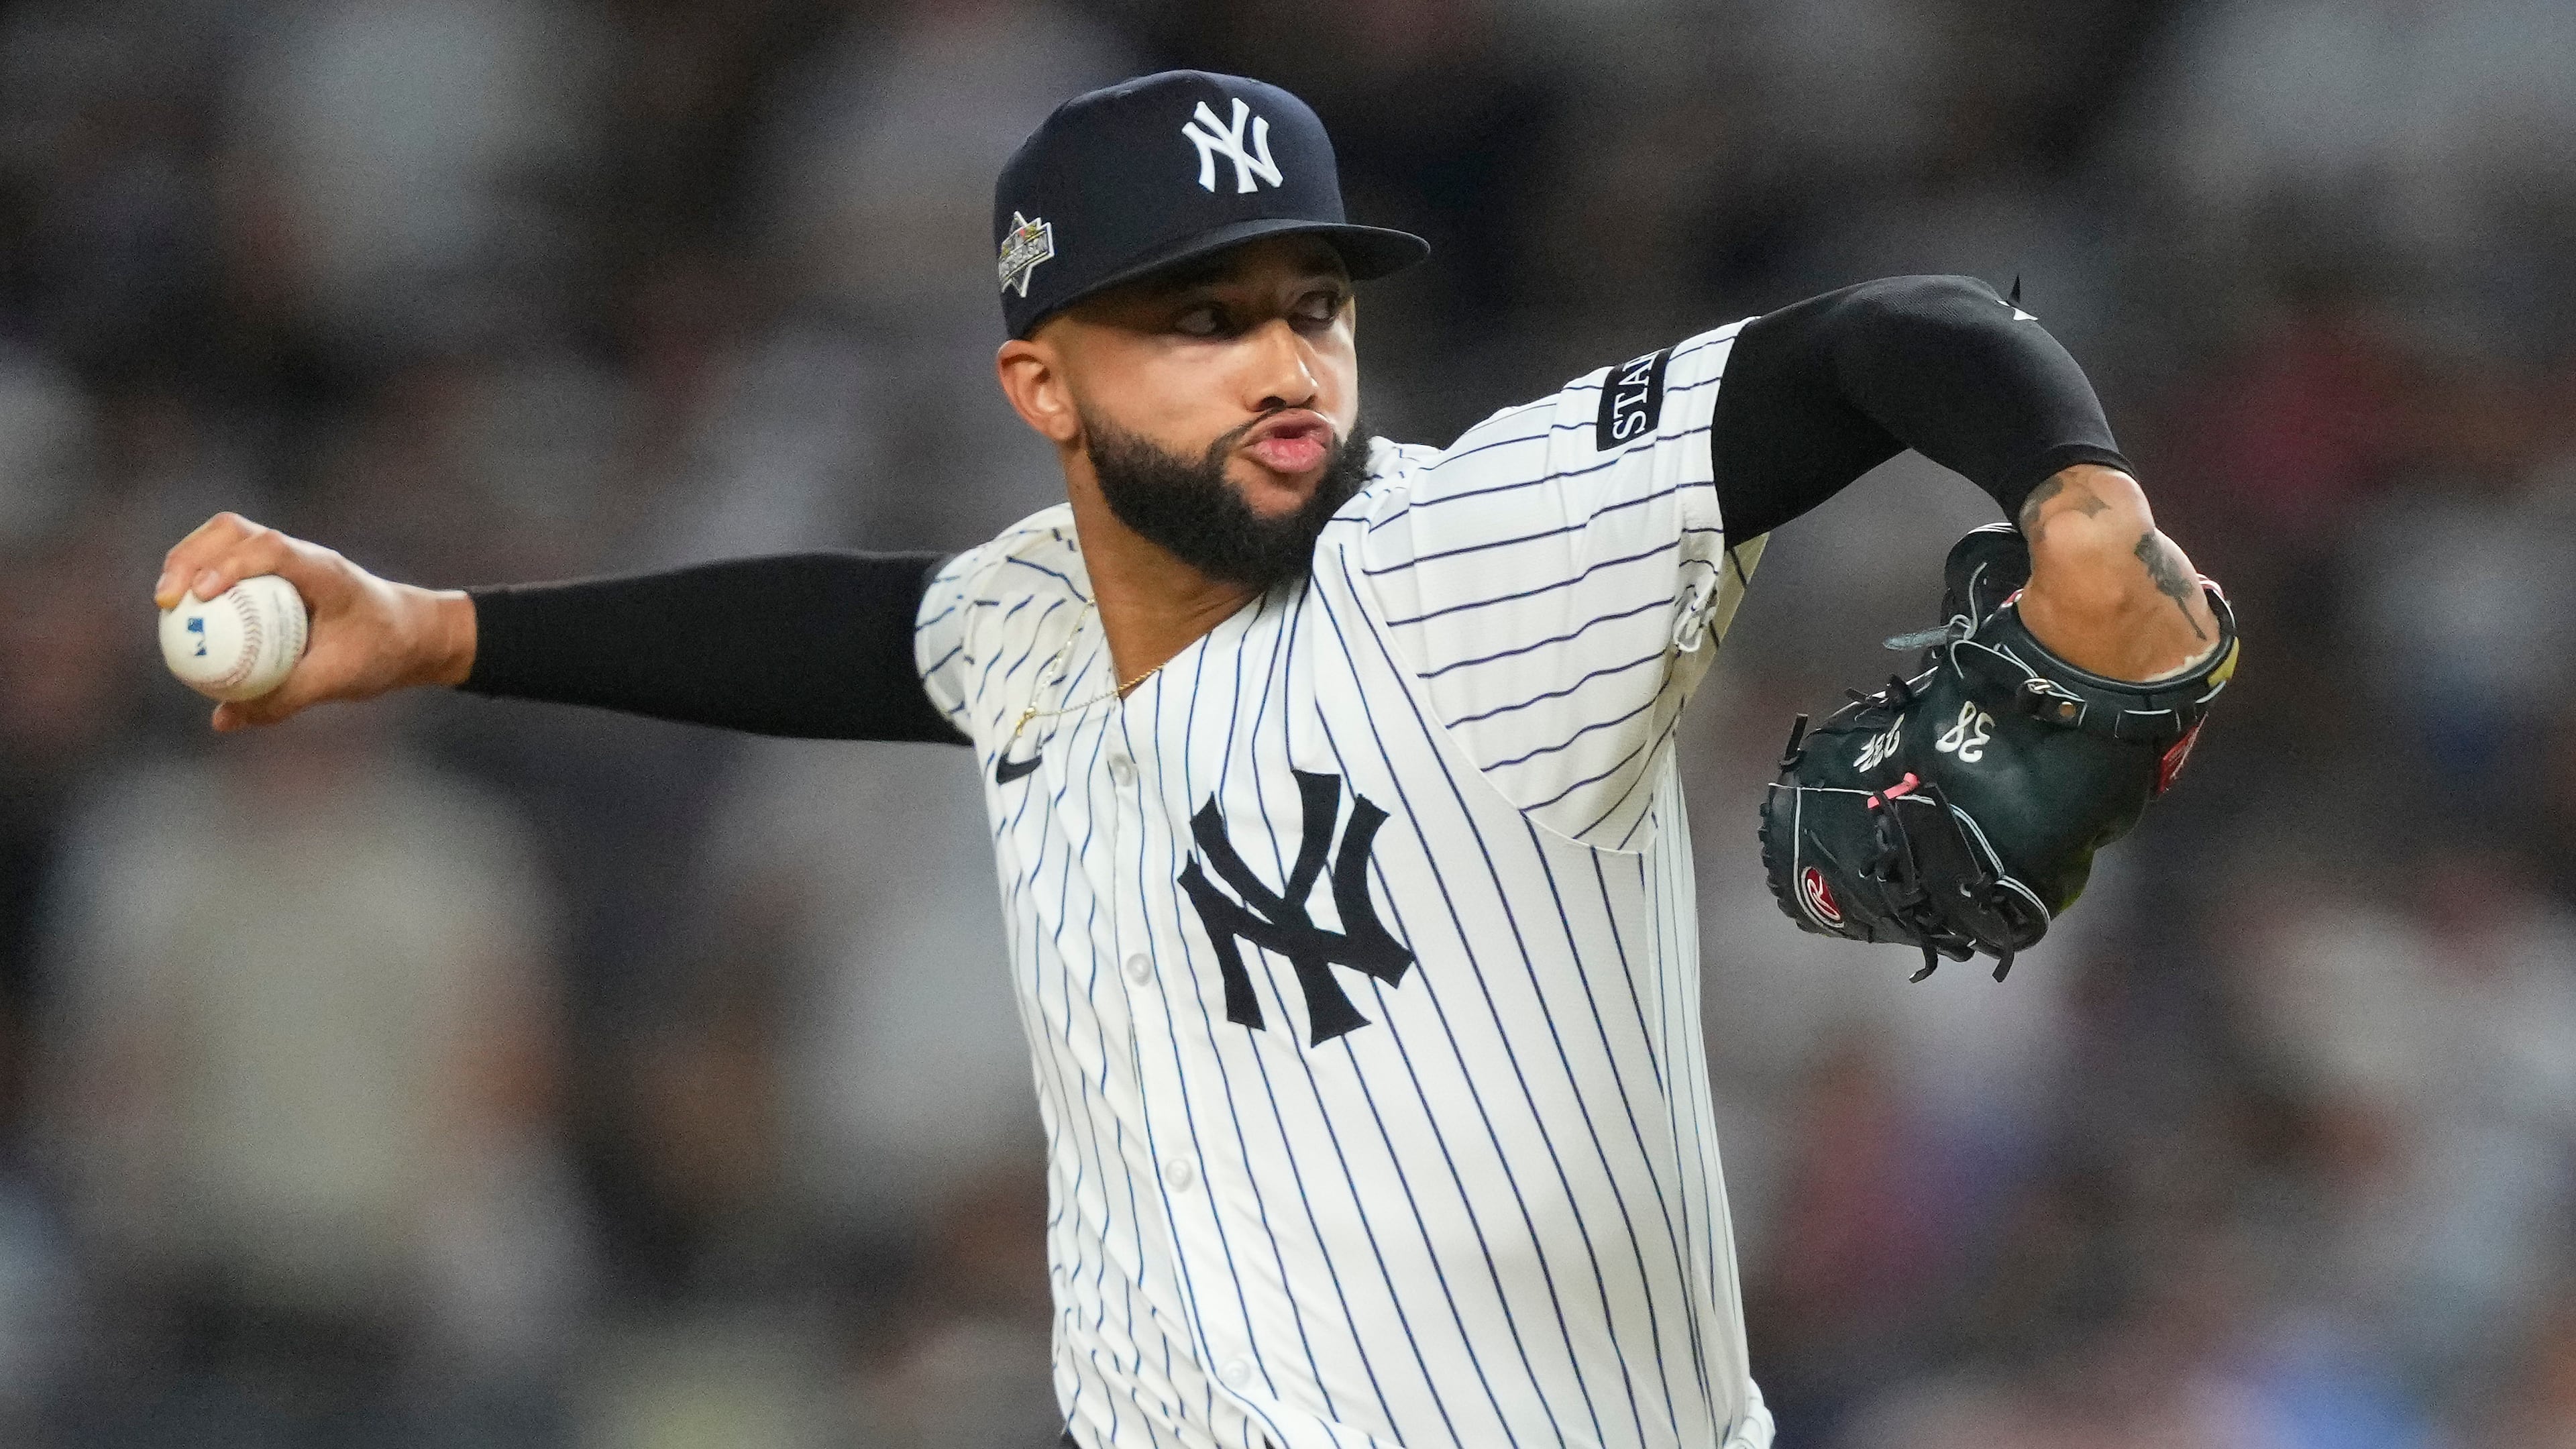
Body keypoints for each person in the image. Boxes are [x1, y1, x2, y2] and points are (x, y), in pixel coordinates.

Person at [154, 70, 2220, 1449]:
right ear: (1043, 386)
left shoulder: (1476, 554)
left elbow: (1883, 336)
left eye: (1311, 301)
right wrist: (434, 633)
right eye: (1199, 316)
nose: (1284, 362)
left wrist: (2077, 502)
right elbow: (859, 634)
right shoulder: (1036, 624)